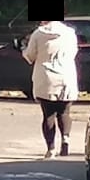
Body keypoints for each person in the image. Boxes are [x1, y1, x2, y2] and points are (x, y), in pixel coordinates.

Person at [23, 11, 79, 158]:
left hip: (46, 77)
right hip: (66, 75)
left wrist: (23, 49)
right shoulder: (70, 33)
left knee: (48, 114)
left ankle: (51, 149)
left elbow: (30, 56)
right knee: (65, 112)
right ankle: (66, 139)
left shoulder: (38, 34)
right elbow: (74, 52)